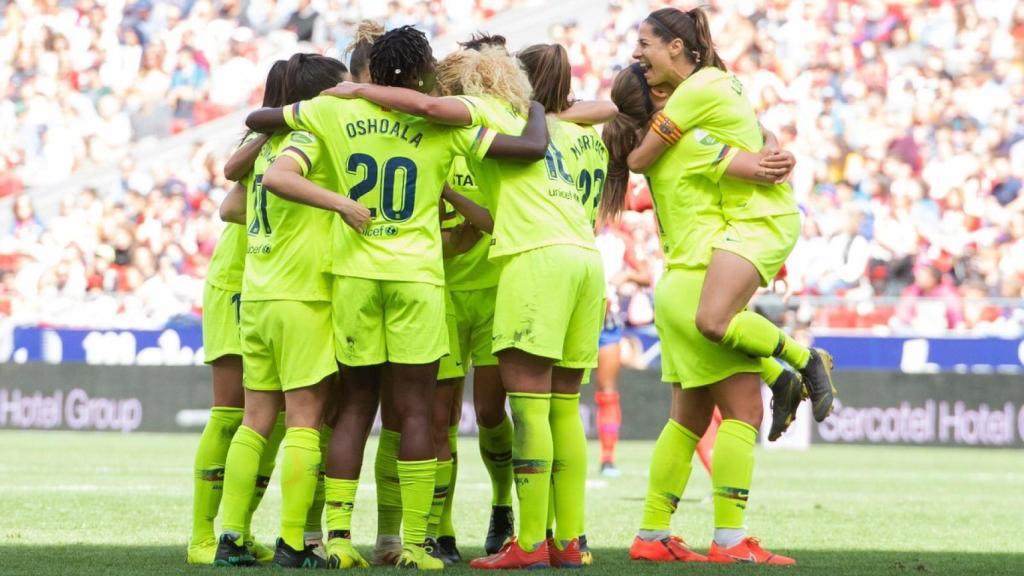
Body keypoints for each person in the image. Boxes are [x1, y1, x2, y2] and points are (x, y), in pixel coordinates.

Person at [247, 25, 553, 570]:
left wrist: (332, 99)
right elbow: (527, 150)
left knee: (353, 409)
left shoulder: (331, 114)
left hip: (355, 279)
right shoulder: (445, 124)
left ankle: (338, 539)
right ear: (418, 74)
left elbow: (260, 123)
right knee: (412, 413)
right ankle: (414, 544)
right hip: (417, 280)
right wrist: (536, 106)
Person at [603, 58, 798, 564]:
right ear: (663, 101)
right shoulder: (689, 142)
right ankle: (731, 542)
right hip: (703, 283)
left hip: (677, 285)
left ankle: (652, 532)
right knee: (744, 413)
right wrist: (773, 147)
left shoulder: (662, 146)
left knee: (686, 419)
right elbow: (762, 163)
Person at [627, 7, 837, 424]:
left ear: (675, 46)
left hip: (757, 219)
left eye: (644, 44)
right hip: (752, 219)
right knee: (714, 326)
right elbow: (760, 134)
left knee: (711, 322)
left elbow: (638, 160)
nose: (637, 54)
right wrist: (771, 147)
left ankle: (803, 360)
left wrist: (624, 132)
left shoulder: (692, 98)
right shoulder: (717, 84)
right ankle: (780, 376)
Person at [213, 53, 361, 569]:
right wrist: (341, 205)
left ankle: (230, 536)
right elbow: (280, 179)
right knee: (304, 422)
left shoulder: (268, 142)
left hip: (257, 297)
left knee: (256, 420)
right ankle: (294, 543)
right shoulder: (309, 139)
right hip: (303, 298)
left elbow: (231, 206)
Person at [186, 60, 285, 566]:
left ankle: (237, 529)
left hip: (275, 284)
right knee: (231, 414)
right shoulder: (262, 139)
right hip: (237, 282)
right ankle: (203, 537)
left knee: (278, 418)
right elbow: (229, 206)